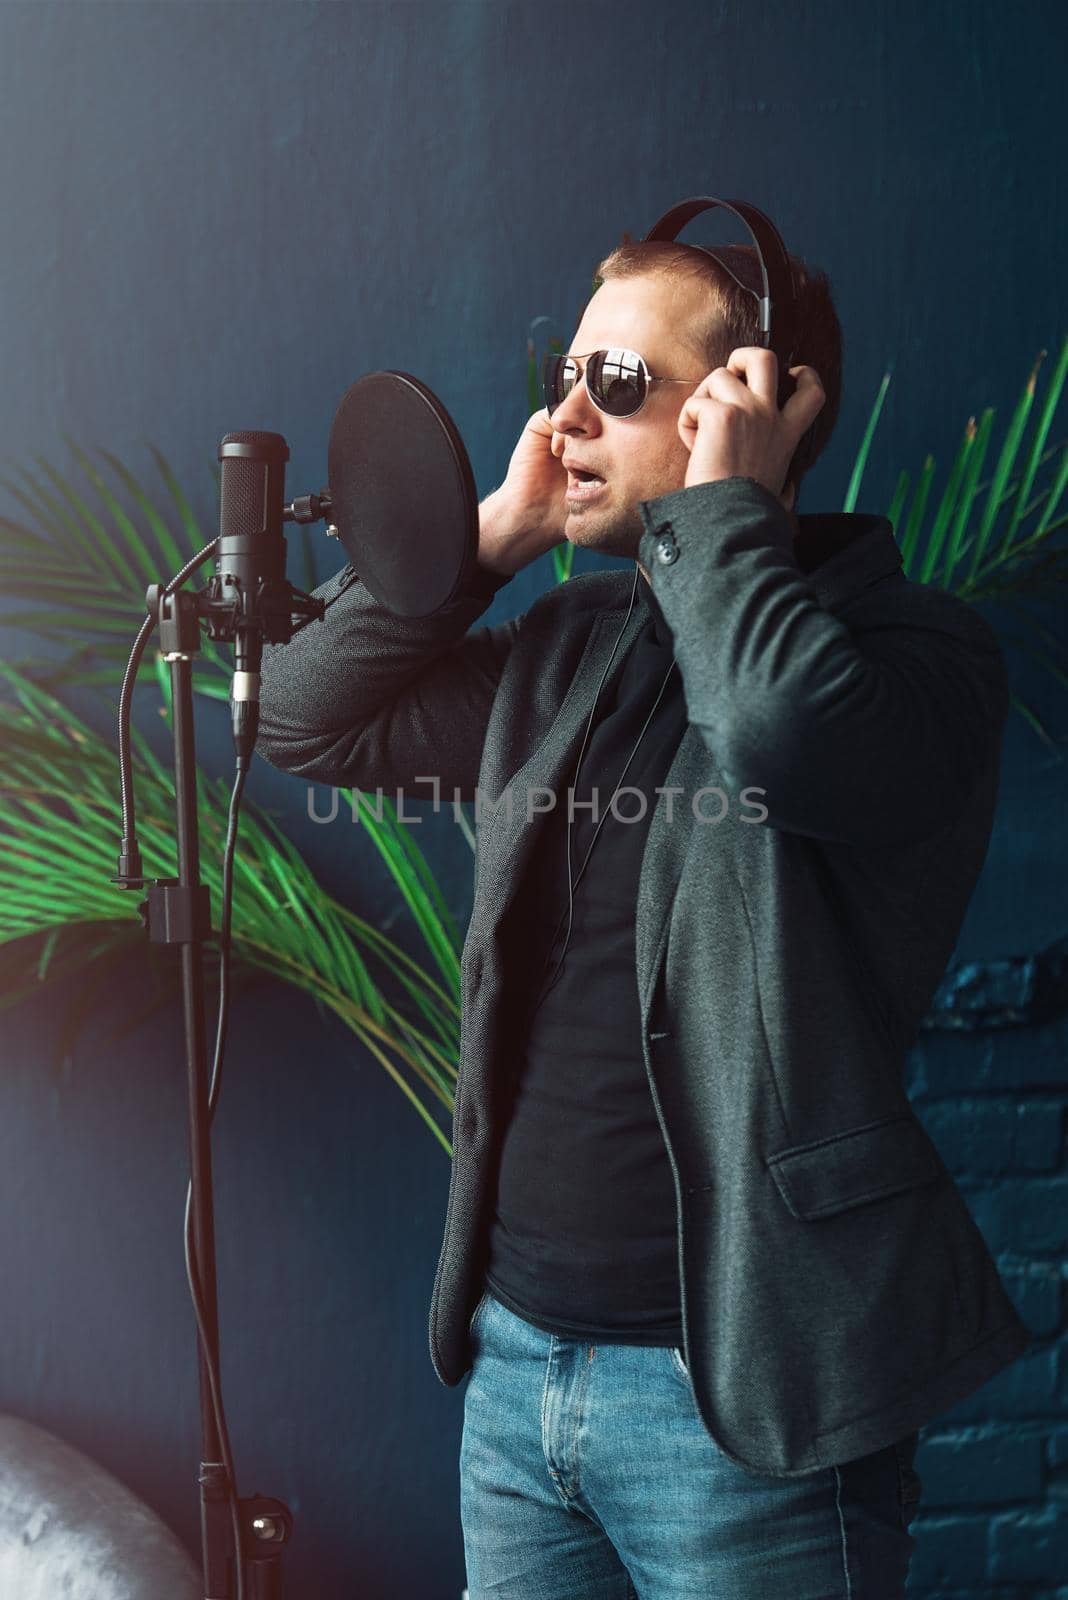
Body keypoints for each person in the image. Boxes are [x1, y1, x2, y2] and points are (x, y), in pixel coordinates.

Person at [256, 234, 1032, 1598]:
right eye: (565, 374)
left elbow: (777, 728)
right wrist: (483, 543)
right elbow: (308, 719)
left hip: (741, 1413)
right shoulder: (565, 646)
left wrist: (734, 506)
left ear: (748, 400)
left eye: (614, 378)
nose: (562, 420)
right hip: (514, 1382)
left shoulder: (917, 657)